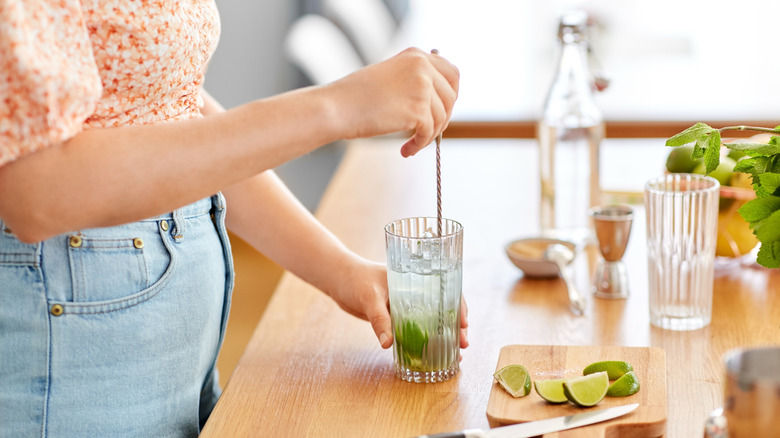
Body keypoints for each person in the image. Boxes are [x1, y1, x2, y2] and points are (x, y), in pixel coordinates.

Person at [0, 1, 467, 437]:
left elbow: (171, 109)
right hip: (75, 365)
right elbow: (37, 191)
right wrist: (337, 106)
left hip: (173, 357)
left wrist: (342, 270)